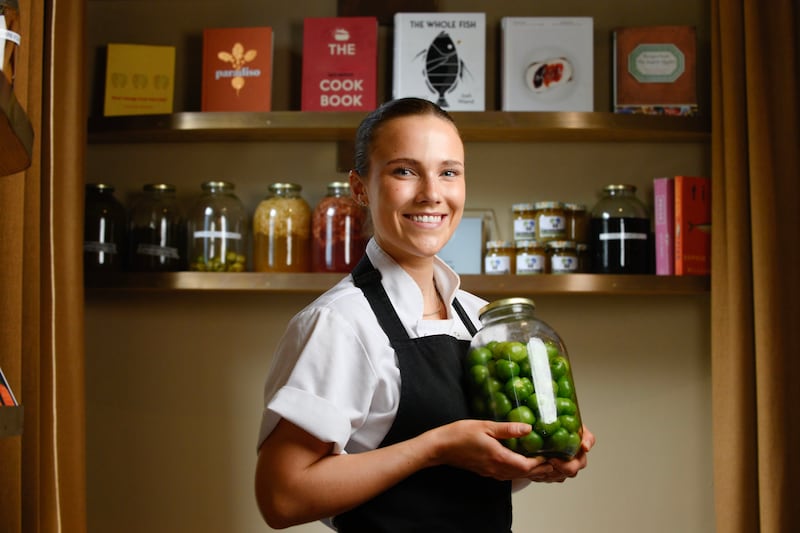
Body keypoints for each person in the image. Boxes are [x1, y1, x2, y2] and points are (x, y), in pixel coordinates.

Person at [254, 97, 595, 532]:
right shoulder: (341, 323)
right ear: (360, 188)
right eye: (405, 171)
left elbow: (466, 481)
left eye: (449, 171)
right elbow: (281, 497)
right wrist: (434, 447)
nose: (432, 193)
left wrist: (538, 456)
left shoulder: (478, 318)